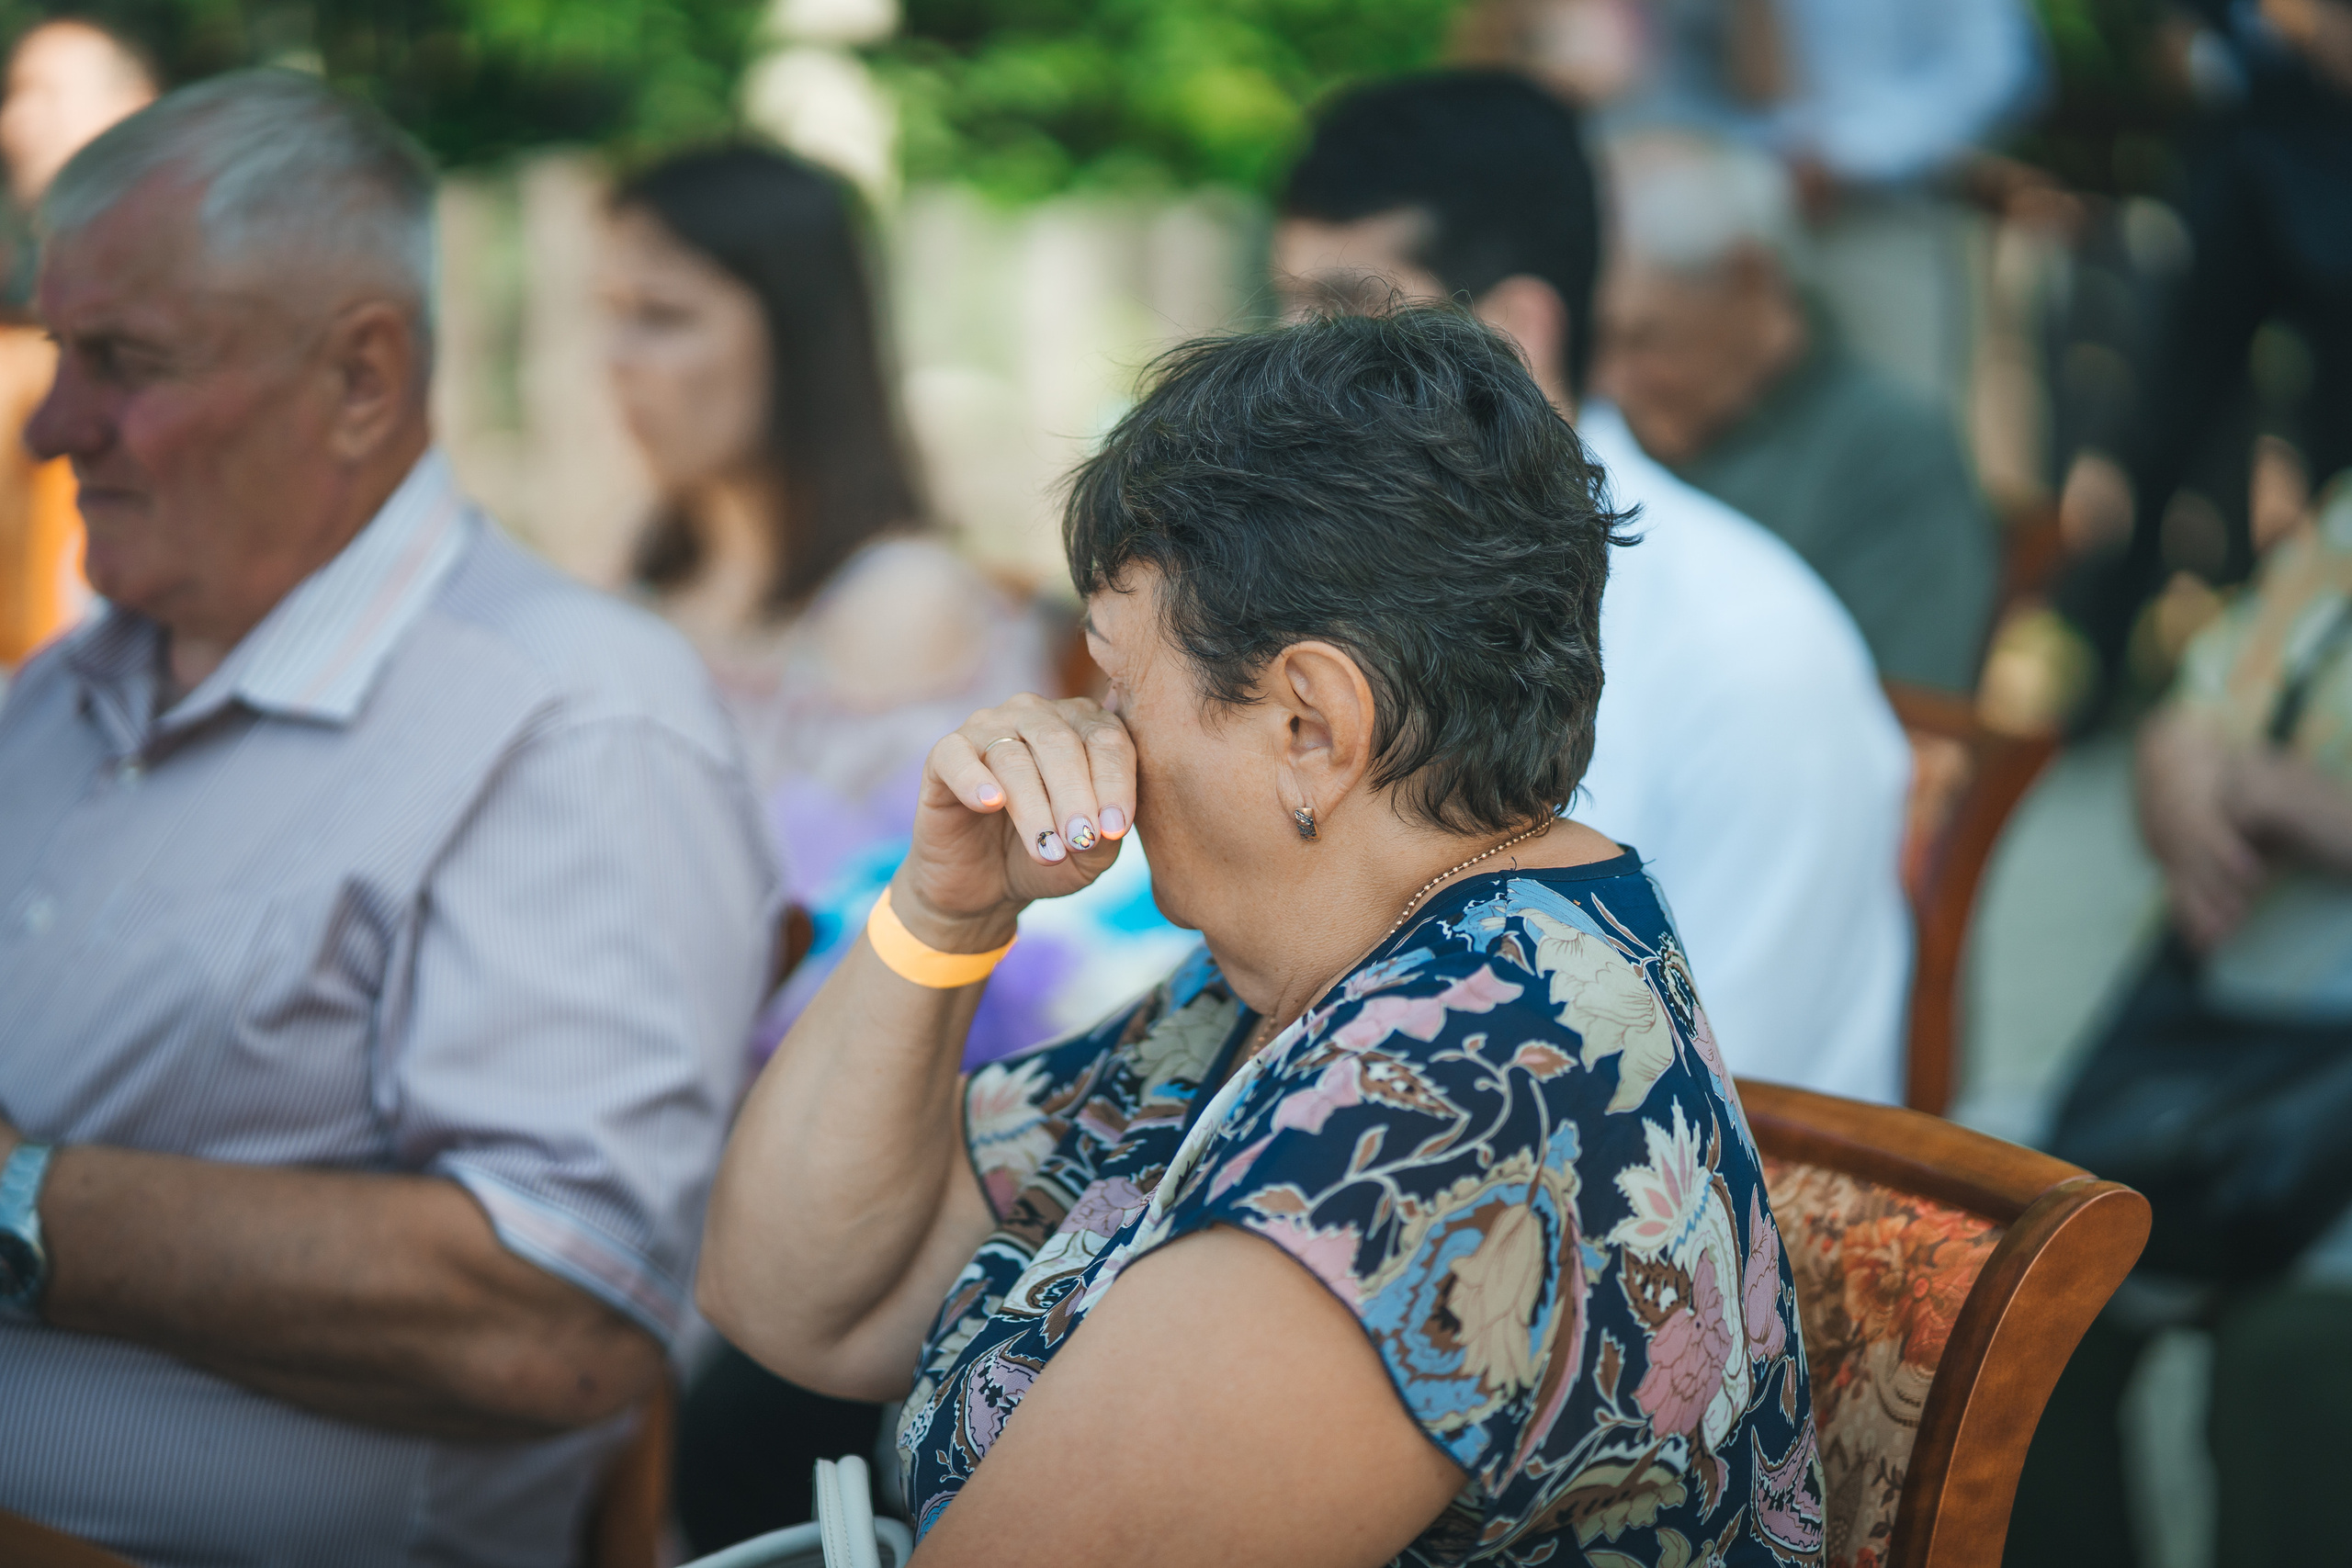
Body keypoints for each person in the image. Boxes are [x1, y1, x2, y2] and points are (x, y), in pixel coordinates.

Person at [699, 305, 1821, 1565]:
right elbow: (801, 1297)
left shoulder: (1440, 1107)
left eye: (1120, 686)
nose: (1092, 731)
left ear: (1310, 724)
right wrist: (945, 910)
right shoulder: (1319, 968)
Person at [0, 71, 772, 1566]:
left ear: (362, 378)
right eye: (57, 348)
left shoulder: (570, 714)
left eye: (122, 359)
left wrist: (24, 1205)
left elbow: (561, 1321)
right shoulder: (55, 697)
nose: (50, 423)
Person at [596, 144, 1193, 1551]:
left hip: (851, 1135)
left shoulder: (900, 602)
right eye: (608, 314)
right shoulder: (643, 582)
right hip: (638, 1098)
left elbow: (959, 929)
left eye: (667, 315)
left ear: (794, 336)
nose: (619, 362)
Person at [1273, 71, 1912, 1102]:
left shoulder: (1748, 652)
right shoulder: (1307, 588)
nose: (1294, 380)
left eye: (1346, 320)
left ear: (1512, 335)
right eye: (1289, 316)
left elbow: (1707, 1099)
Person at [2009, 483, 2352, 1568]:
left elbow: (2259, 770)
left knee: (2288, 1366)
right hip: (2222, 1047)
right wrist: (2182, 783)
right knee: (2013, 1291)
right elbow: (2193, 711)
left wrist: (2288, 800)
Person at [1596, 131, 1998, 692]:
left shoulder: (1893, 455)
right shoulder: (1607, 430)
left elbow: (1909, 716)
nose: (1611, 382)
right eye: (1594, 344)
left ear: (1749, 278)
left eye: (1643, 340)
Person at [0, 17, 155, 671]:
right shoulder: (37, 300)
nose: (15, 123)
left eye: (46, 94)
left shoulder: (201, 276)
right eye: (13, 97)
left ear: (134, 108)